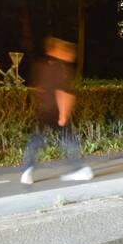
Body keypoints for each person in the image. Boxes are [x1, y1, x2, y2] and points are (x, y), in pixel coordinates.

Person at [20, 37, 93, 184]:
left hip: (46, 110)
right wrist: (63, 114)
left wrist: (59, 112)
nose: (71, 56)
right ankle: (79, 169)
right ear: (58, 51)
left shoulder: (46, 66)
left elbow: (48, 90)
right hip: (53, 110)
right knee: (66, 139)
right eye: (68, 52)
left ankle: (27, 171)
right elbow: (63, 92)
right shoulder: (61, 68)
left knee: (38, 139)